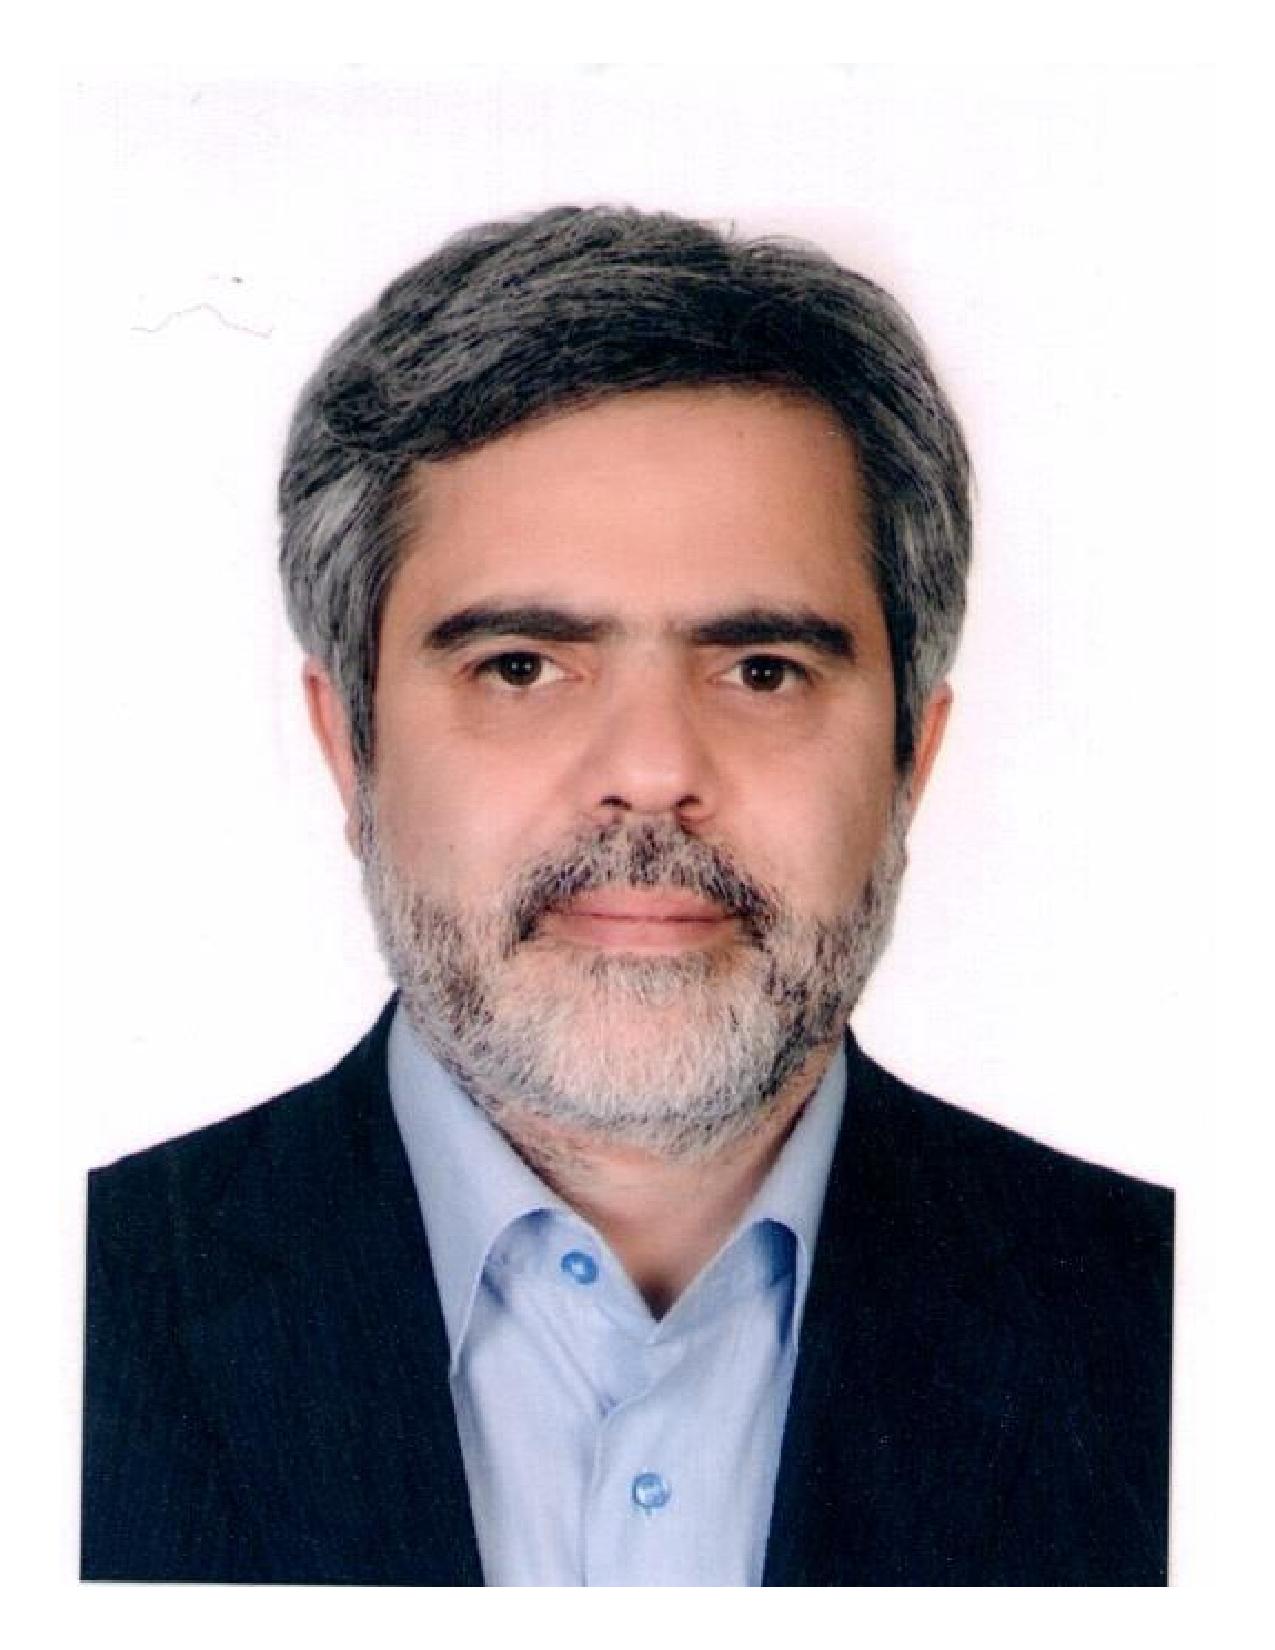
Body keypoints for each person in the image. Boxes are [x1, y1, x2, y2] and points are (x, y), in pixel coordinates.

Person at [80, 205, 1173, 1587]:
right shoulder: (68, 1311)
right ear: (349, 746)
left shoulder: (1185, 1328)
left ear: (914, 760)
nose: (652, 773)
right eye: (522, 667)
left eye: (763, 669)